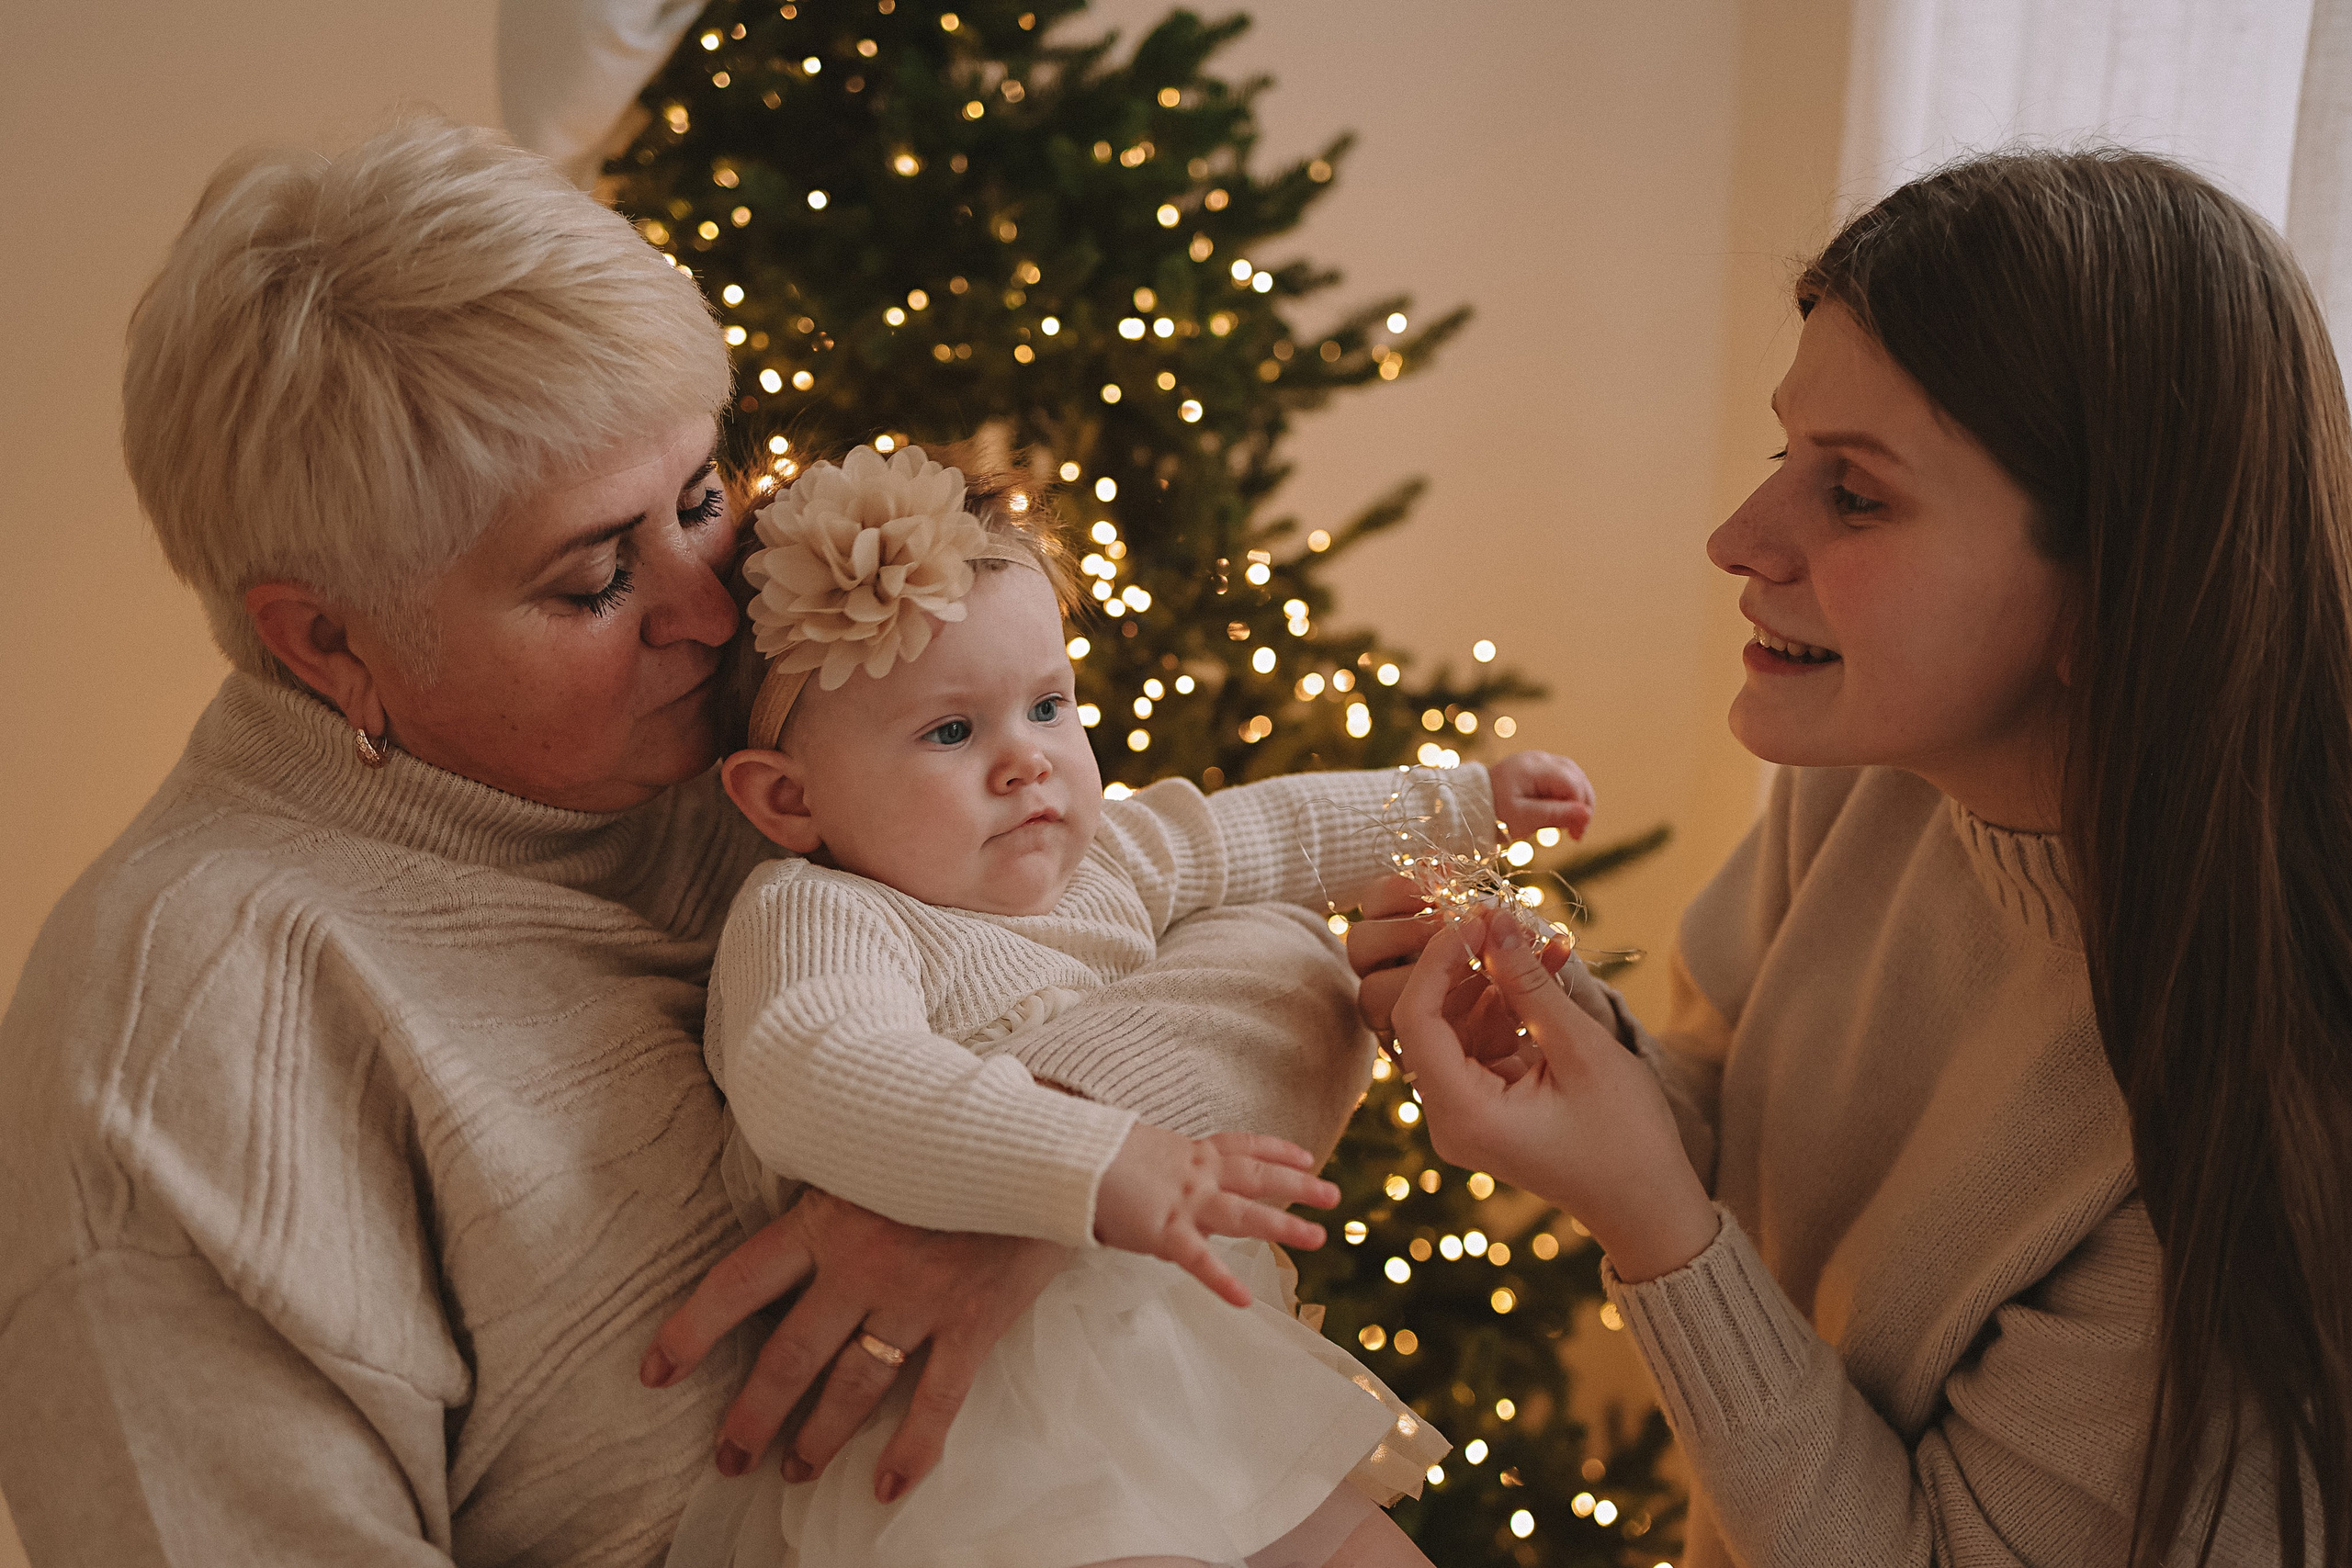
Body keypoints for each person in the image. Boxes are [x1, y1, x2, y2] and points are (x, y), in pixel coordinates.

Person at [0, 115, 1389, 1566]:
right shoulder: (178, 1045)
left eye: (702, 498)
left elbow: (1273, 941)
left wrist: (1019, 1180)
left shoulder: (746, 734)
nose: (717, 610)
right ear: (328, 638)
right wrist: (1042, 1162)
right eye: (597, 575)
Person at [1351, 149, 2350, 1568]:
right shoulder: (1877, 779)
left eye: (1857, 495)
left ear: (2116, 587)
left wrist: (1653, 1215)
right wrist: (1573, 1043)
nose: (1740, 539)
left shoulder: (2246, 1112)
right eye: (1784, 457)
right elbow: (1737, 1092)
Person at [650, 441, 1595, 1567]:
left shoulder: (1115, 859)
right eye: (952, 732)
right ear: (788, 798)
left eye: (1048, 706)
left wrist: (1462, 802)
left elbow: (1273, 832)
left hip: (1187, 1371)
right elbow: (817, 1070)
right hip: (984, 1431)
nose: (1027, 765)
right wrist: (1093, 1157)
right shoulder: (826, 914)